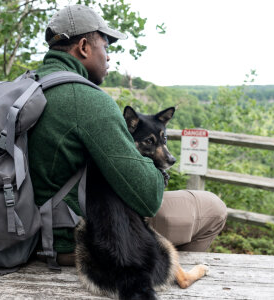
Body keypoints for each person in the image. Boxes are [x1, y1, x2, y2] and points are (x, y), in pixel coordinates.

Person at [28, 4, 227, 266]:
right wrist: (156, 163)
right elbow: (148, 199)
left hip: (25, 231)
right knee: (212, 208)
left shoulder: (27, 86)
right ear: (85, 47)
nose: (108, 57)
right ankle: (164, 280)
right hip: (77, 239)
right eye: (106, 46)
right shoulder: (87, 100)